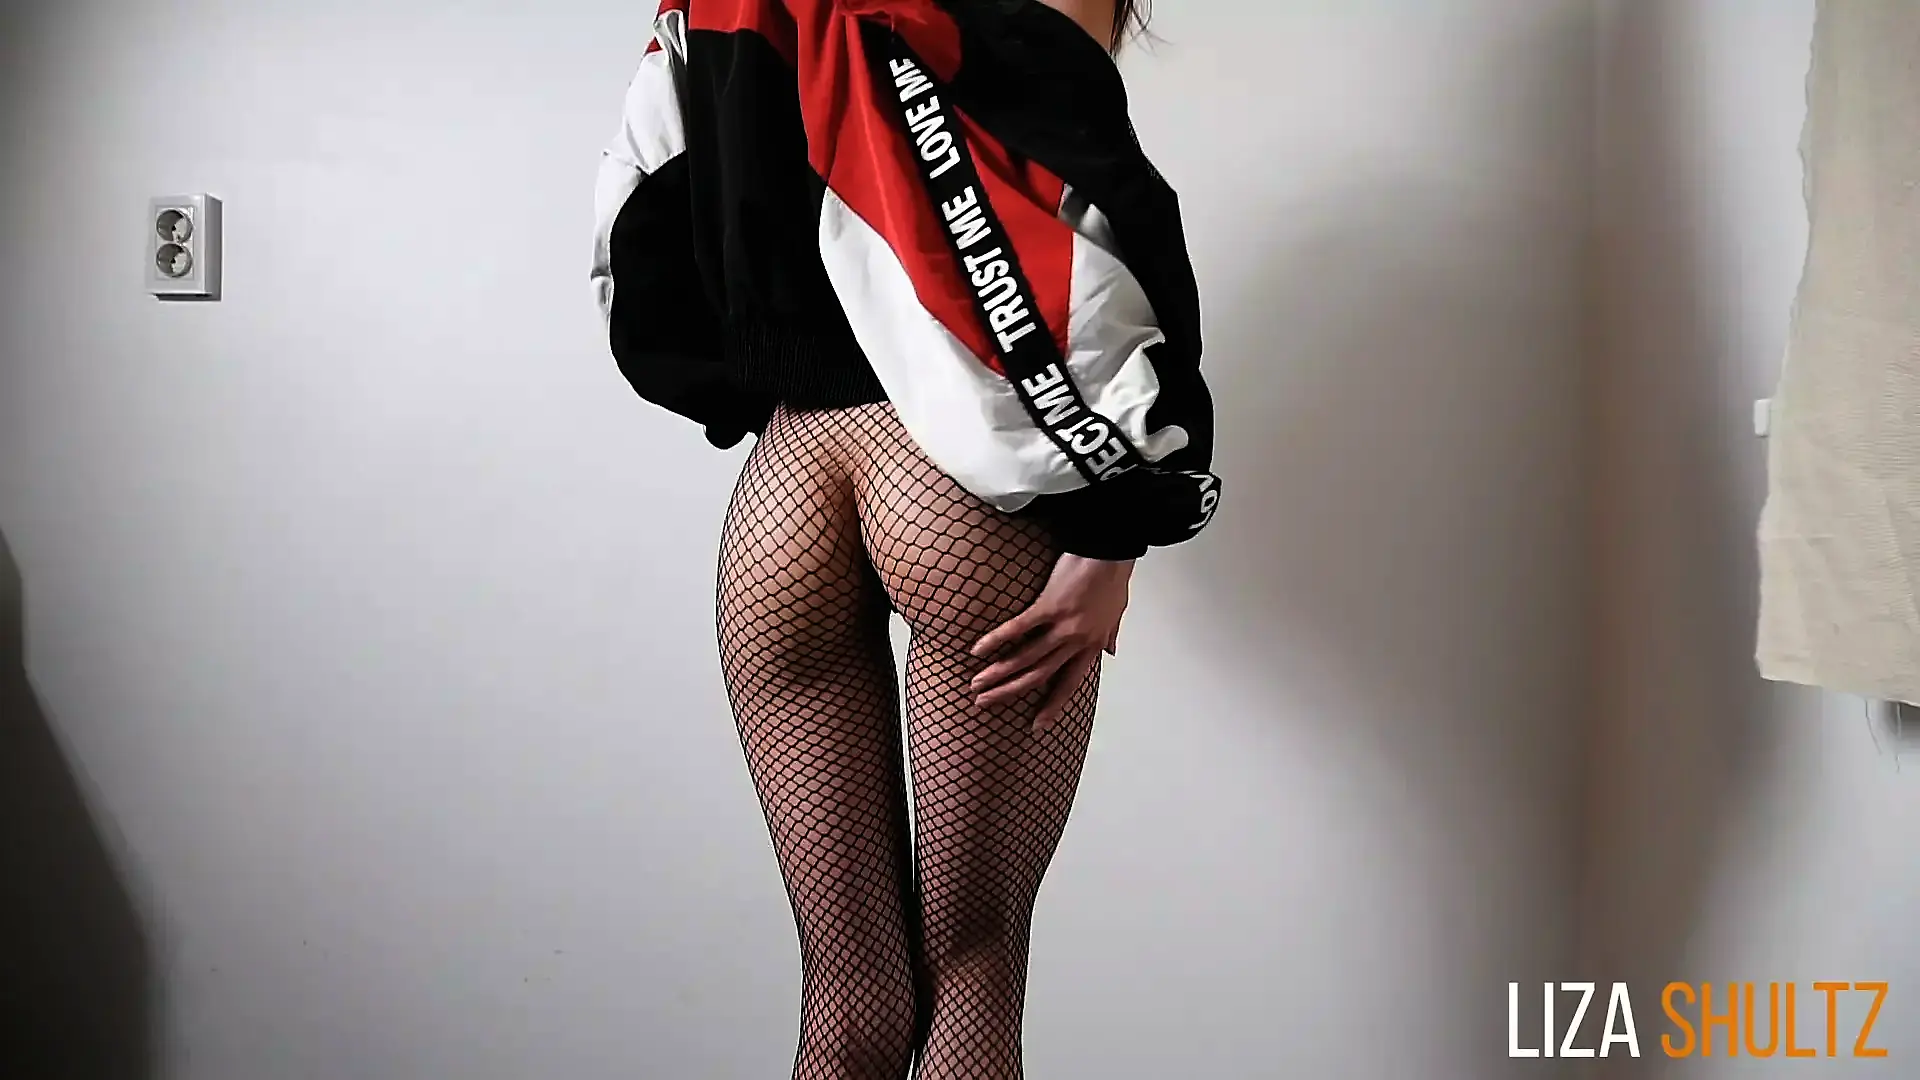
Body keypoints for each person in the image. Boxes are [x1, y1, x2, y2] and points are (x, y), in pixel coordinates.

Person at [591, 1, 1218, 1076]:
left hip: (787, 489)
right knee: (975, 970)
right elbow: (1095, 211)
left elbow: (645, 201)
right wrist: (1120, 529)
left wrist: (744, 369)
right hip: (957, 470)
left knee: (847, 994)